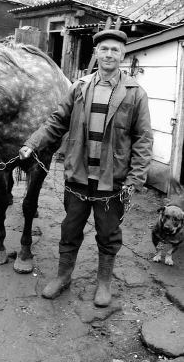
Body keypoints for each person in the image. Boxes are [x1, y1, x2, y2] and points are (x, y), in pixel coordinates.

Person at [19, 29, 153, 307]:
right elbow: (56, 122)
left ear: (123, 55)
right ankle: (63, 275)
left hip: (112, 180)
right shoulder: (79, 87)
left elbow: (143, 138)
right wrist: (32, 143)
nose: (109, 55)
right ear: (96, 53)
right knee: (70, 229)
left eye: (115, 50)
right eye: (104, 49)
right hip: (78, 174)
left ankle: (104, 282)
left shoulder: (135, 93)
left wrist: (136, 177)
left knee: (108, 234)